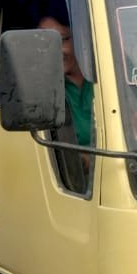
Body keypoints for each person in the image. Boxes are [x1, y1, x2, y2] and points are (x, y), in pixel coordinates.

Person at [37, 14, 94, 192]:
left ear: (83, 38)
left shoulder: (112, 71)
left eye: (62, 40)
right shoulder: (38, 86)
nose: (55, 50)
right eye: (44, 42)